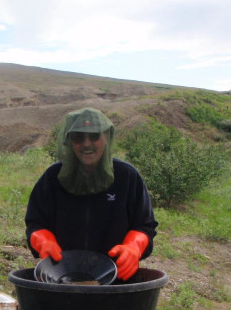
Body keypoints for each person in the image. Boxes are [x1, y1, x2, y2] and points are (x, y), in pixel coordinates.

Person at [25, 107, 157, 280]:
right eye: (79, 138)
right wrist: (43, 241)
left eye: (94, 136)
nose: (87, 144)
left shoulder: (127, 176)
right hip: (62, 278)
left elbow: (144, 225)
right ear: (70, 141)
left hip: (115, 279)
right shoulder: (52, 177)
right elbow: (35, 222)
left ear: (106, 138)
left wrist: (134, 247)